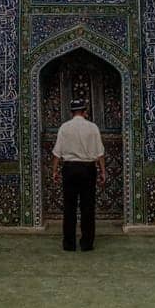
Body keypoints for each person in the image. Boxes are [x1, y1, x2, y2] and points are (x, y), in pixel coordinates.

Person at [51, 98, 106, 252]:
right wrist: (103, 171)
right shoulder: (92, 127)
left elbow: (57, 152)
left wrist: (54, 170)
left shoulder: (64, 127)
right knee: (87, 207)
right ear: (85, 111)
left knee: (69, 207)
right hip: (88, 169)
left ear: (72, 112)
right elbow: (100, 152)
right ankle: (87, 244)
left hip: (69, 168)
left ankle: (69, 244)